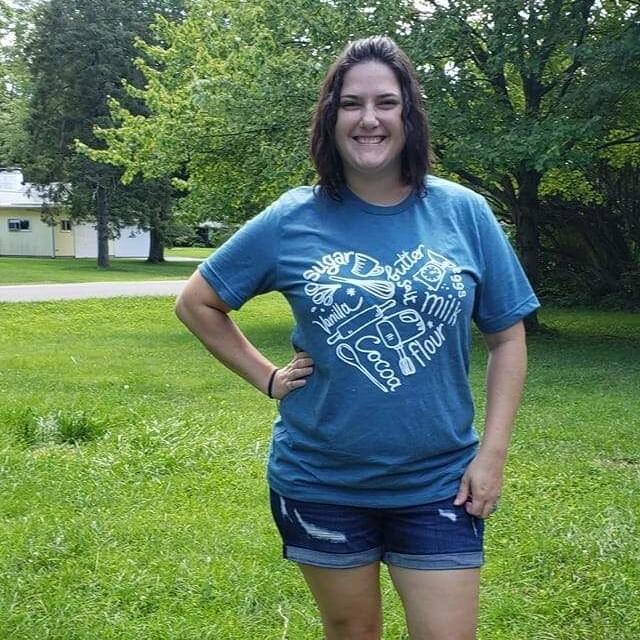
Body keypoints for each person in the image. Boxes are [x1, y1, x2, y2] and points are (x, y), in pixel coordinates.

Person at [175, 35, 539, 640]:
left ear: (409, 115)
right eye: (351, 103)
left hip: (439, 481)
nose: (369, 118)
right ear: (331, 117)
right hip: (321, 481)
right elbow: (197, 303)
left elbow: (508, 338)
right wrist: (268, 377)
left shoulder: (464, 213)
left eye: (386, 102)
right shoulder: (292, 218)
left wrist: (492, 455)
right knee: (353, 632)